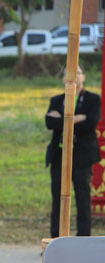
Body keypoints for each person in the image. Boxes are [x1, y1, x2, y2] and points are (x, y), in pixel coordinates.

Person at [45, 66, 101, 237]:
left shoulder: (92, 99)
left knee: (83, 200)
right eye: (67, 74)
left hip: (82, 157)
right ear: (63, 79)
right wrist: (74, 119)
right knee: (58, 200)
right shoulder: (56, 100)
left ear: (83, 76)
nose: (73, 77)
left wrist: (62, 119)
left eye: (76, 73)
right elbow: (49, 122)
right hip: (59, 156)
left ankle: (83, 239)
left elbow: (90, 123)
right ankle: (56, 238)